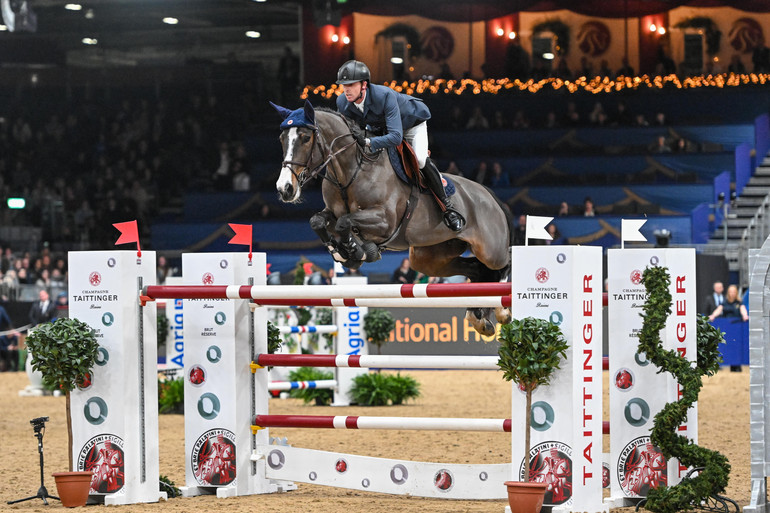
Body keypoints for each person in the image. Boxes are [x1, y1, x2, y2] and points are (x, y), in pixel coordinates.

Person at [335, 60, 465, 231]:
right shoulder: (342, 102)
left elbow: (396, 137)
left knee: (419, 160)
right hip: (381, 127)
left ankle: (447, 208)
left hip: (410, 124)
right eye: (343, 85)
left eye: (351, 84)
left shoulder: (384, 96)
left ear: (364, 85)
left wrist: (368, 142)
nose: (346, 89)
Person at [0, 304, 19, 371]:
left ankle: (14, 368)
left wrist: (13, 348)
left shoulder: (1, 309)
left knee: (13, 351)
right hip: (3, 351)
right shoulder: (2, 338)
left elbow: (7, 320)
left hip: (9, 351)